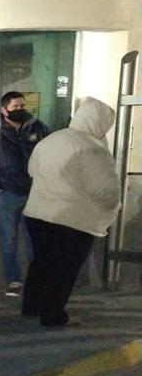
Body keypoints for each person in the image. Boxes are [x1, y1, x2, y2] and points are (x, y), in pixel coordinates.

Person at [22, 97, 120, 327]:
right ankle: (53, 315)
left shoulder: (52, 139)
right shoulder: (93, 149)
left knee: (42, 262)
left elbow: (32, 170)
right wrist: (112, 207)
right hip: (72, 219)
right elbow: (105, 191)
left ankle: (32, 306)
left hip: (37, 213)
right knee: (64, 268)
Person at [0, 91, 50, 297]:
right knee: (8, 239)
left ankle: (36, 281)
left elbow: (50, 153)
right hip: (5, 194)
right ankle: (13, 280)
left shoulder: (37, 128)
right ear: (4, 110)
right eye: (15, 107)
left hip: (34, 192)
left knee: (35, 239)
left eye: (22, 106)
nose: (21, 109)